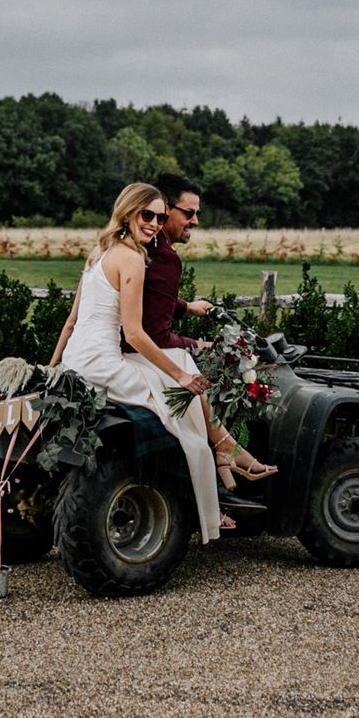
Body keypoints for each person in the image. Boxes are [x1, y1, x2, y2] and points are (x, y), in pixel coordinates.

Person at [50, 183, 229, 540]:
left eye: (161, 217)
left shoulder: (99, 252)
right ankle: (211, 498)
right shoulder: (133, 259)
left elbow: (71, 323)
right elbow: (134, 334)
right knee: (183, 422)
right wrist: (180, 375)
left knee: (171, 398)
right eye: (147, 215)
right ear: (128, 212)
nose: (154, 224)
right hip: (104, 363)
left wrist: (52, 370)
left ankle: (224, 458)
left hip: (77, 361)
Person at [123, 173, 278, 496]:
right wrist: (199, 344)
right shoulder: (164, 258)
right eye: (188, 213)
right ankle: (225, 456)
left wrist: (186, 307)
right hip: (135, 352)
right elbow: (156, 334)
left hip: (109, 346)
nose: (194, 221)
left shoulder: (132, 247)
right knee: (211, 374)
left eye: (198, 214)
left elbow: (145, 298)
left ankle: (224, 457)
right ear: (164, 209)